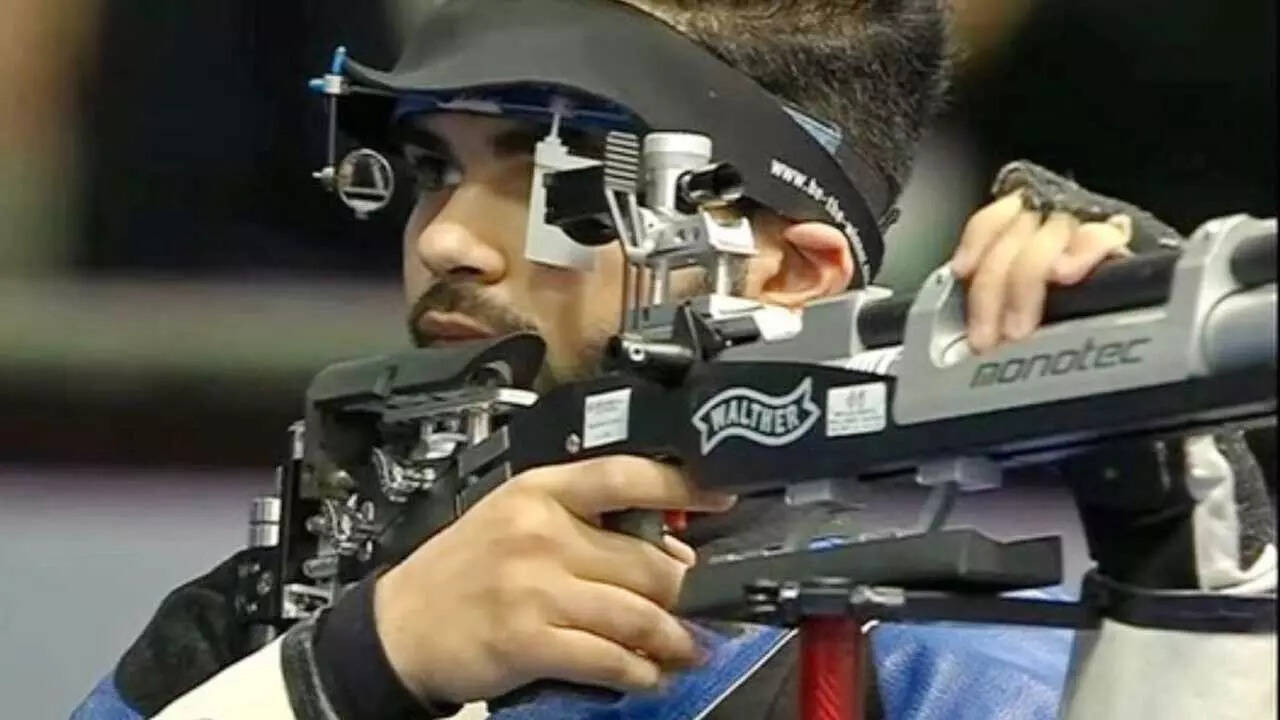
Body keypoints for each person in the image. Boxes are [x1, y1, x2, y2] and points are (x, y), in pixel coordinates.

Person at [72, 1, 1275, 719]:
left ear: (794, 269)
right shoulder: (279, 621)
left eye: (560, 185)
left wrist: (1189, 592)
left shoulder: (938, 666)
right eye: (433, 167)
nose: (442, 240)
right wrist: (353, 671)